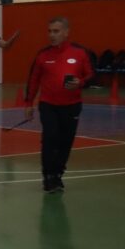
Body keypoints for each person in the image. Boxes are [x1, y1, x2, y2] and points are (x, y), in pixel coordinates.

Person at [24, 17, 93, 193]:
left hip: (72, 105)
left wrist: (80, 82)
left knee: (65, 141)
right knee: (50, 138)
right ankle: (48, 176)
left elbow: (91, 75)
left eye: (56, 31)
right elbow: (33, 79)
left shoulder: (80, 53)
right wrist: (28, 102)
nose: (52, 35)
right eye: (49, 31)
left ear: (66, 32)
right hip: (48, 105)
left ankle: (58, 175)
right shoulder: (43, 55)